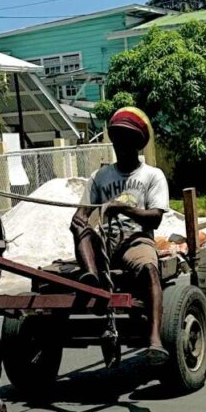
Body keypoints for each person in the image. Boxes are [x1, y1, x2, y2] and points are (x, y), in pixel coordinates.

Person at [70, 107, 170, 364]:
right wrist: (81, 219)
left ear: (138, 144)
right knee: (81, 228)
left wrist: (123, 208)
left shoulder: (152, 175)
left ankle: (155, 340)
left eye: (127, 140)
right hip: (104, 240)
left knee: (149, 268)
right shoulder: (100, 176)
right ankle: (91, 277)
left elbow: (156, 218)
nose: (120, 145)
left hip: (135, 239)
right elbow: (82, 214)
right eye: (117, 139)